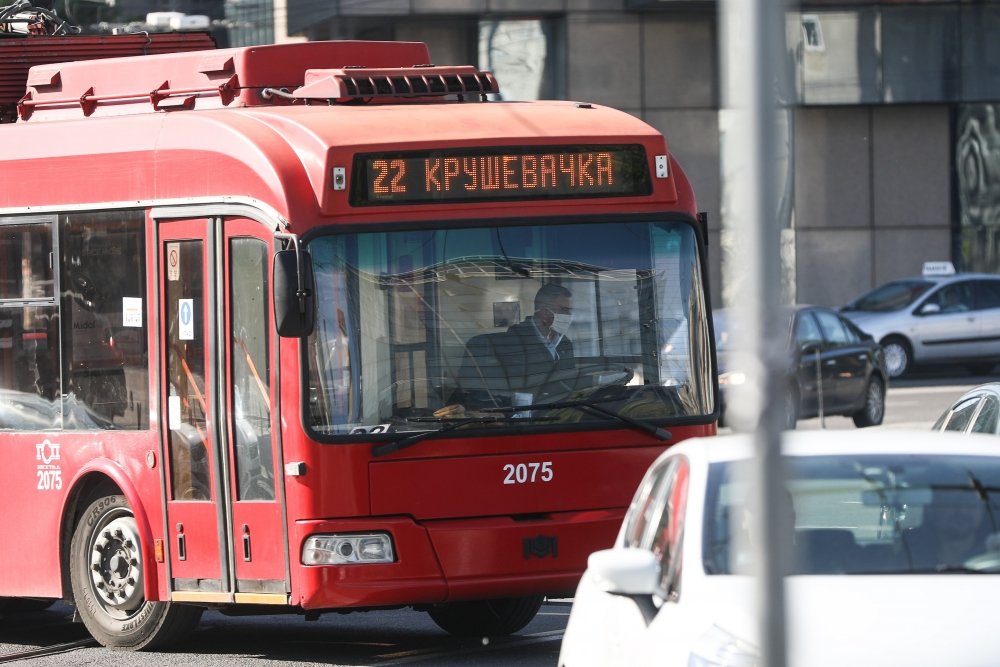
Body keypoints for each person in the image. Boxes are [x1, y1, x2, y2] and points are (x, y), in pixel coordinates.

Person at [444, 284, 576, 414]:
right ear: (544, 312)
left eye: (570, 310)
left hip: (557, 419)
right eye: (564, 310)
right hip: (515, 420)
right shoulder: (507, 344)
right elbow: (479, 394)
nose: (569, 315)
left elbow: (569, 385)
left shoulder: (565, 344)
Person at [903, 489, 992, 569]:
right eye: (952, 504)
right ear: (932, 511)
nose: (962, 511)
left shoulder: (994, 553)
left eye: (970, 505)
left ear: (982, 511)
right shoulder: (906, 553)